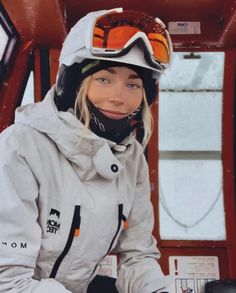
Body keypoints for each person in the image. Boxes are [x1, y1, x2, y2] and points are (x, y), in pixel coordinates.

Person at [0, 7, 173, 293]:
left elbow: (138, 256)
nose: (118, 97)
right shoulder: (20, 147)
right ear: (74, 83)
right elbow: (8, 281)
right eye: (103, 79)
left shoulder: (131, 160)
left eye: (133, 84)